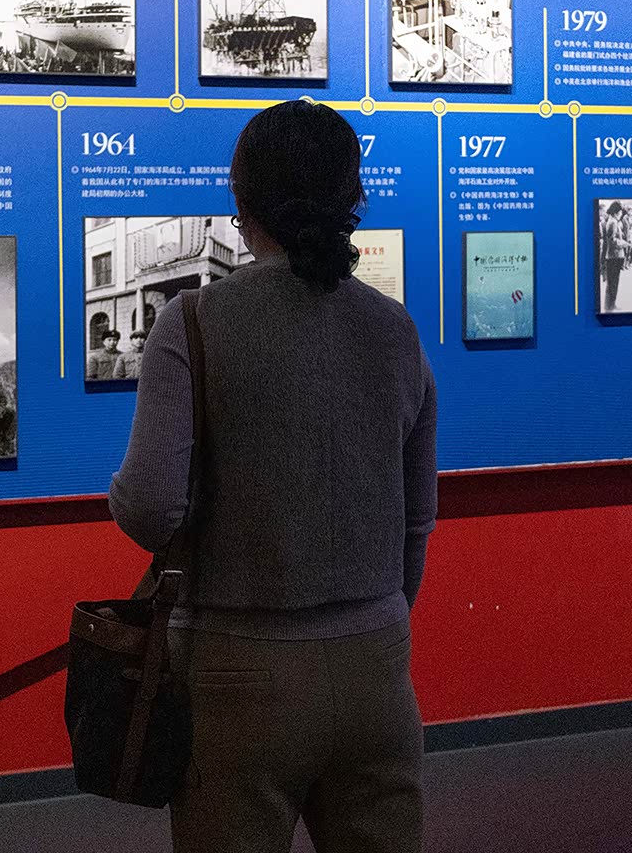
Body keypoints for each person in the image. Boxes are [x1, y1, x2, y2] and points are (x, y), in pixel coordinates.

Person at [111, 100, 437, 853]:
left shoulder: (192, 321)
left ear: (242, 200)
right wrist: (377, 614)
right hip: (377, 662)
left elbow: (151, 507)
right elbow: (418, 516)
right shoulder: (394, 327)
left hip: (238, 667)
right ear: (352, 199)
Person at [600, 201, 627, 311]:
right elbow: (612, 241)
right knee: (612, 283)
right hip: (613, 257)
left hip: (614, 256)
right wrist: (622, 243)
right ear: (616, 212)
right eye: (620, 212)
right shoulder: (613, 222)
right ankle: (609, 307)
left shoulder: (613, 221)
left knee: (613, 283)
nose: (621, 214)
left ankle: (612, 304)